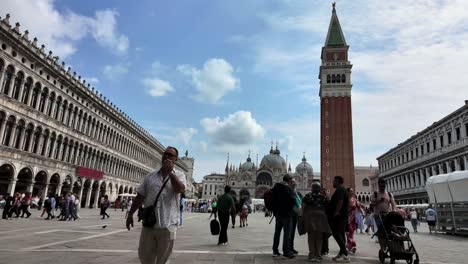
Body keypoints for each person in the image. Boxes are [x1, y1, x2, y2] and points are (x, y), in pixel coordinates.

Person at [126, 146, 186, 264]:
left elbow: (180, 189)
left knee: (163, 260)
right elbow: (140, 196)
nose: (167, 156)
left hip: (168, 225)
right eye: (165, 154)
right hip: (149, 224)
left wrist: (170, 173)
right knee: (145, 257)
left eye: (170, 155)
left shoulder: (180, 175)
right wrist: (130, 214)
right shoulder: (150, 176)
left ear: (176, 160)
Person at [302, 182, 331, 262]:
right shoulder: (323, 197)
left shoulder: (307, 196)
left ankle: (312, 255)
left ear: (312, 188)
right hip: (321, 218)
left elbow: (303, 207)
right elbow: (328, 207)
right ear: (319, 189)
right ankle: (318, 255)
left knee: (311, 237)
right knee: (319, 237)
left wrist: (303, 218)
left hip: (310, 218)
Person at [271, 174, 296, 259]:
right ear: (289, 181)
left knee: (277, 233)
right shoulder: (288, 189)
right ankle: (286, 252)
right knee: (287, 233)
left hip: (278, 214)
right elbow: (293, 200)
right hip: (287, 214)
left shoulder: (275, 188)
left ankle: (275, 250)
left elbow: (272, 200)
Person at [370, 179, 396, 251]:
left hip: (387, 215)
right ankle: (382, 247)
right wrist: (379, 201)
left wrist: (393, 210)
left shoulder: (389, 194)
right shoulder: (374, 194)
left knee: (388, 230)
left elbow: (393, 203)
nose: (382, 187)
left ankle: (387, 244)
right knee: (381, 231)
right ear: (378, 185)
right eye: (381, 185)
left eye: (383, 185)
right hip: (378, 215)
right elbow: (372, 205)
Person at [329, 176, 350, 263]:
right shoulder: (341, 189)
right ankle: (342, 254)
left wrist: (336, 212)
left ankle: (345, 255)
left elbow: (340, 201)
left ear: (337, 182)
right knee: (340, 234)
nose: (332, 183)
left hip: (340, 216)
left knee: (336, 233)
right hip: (342, 216)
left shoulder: (340, 189)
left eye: (334, 181)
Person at [346, 188, 363, 254]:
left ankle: (349, 245)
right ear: (347, 192)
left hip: (353, 219)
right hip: (346, 218)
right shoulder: (345, 199)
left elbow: (359, 207)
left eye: (352, 191)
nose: (352, 192)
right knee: (348, 232)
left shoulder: (355, 200)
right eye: (350, 191)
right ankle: (352, 245)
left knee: (351, 232)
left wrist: (362, 212)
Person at [289, 178, 302, 255]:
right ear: (289, 183)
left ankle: (291, 247)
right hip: (290, 214)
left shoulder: (295, 191)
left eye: (295, 182)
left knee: (292, 232)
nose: (294, 183)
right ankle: (288, 248)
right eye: (292, 182)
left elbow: (299, 201)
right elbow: (294, 202)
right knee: (289, 232)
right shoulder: (289, 191)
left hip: (295, 214)